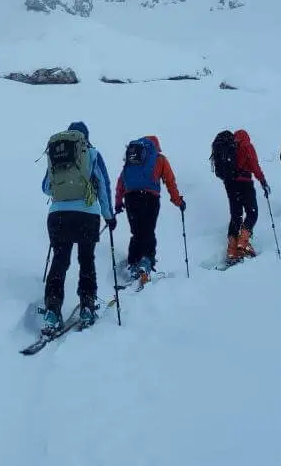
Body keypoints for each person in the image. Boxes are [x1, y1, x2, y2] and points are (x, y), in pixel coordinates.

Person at [40, 121, 116, 333]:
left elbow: (46, 188)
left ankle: (52, 312)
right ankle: (87, 307)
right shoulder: (92, 154)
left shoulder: (57, 154)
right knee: (86, 260)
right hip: (86, 216)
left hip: (58, 216)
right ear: (85, 138)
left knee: (60, 260)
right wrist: (109, 217)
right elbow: (104, 186)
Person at [113, 135, 185, 282]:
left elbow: (121, 181)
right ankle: (146, 262)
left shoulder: (132, 159)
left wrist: (118, 202)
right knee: (148, 230)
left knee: (136, 232)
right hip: (150, 198)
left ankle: (133, 264)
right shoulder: (159, 159)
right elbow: (170, 181)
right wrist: (178, 201)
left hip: (131, 198)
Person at [211, 129, 269, 263]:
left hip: (230, 184)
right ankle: (243, 243)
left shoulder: (230, 147)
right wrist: (263, 181)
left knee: (236, 215)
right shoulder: (246, 146)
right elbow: (255, 165)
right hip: (245, 182)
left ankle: (232, 249)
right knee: (252, 212)